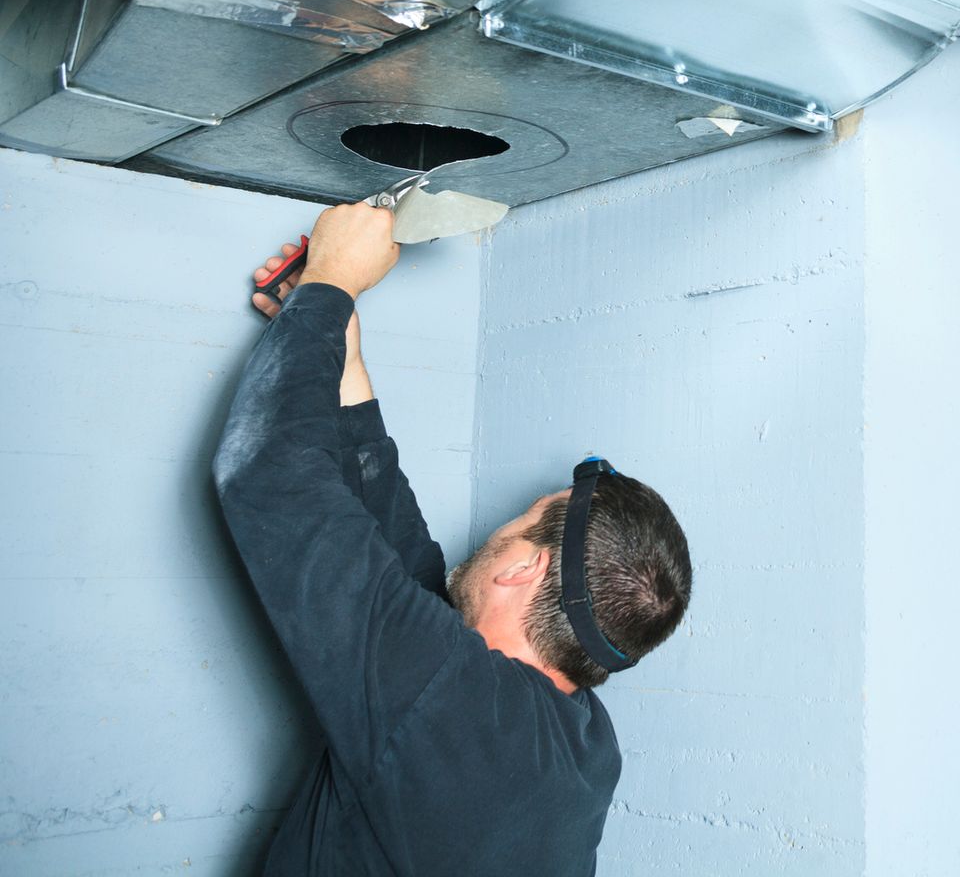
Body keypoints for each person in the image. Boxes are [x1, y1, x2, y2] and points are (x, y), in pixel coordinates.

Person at [213, 201, 692, 875]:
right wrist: (338, 348)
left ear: (525, 567)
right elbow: (406, 589)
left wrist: (331, 285)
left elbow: (267, 477)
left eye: (522, 516)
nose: (502, 526)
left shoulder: (456, 706)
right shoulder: (580, 740)